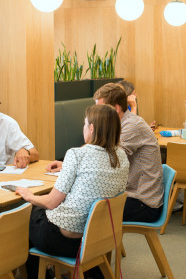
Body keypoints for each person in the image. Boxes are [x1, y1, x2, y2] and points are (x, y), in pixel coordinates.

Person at [16, 104, 129, 279]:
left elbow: (52, 202)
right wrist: (68, 167)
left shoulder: (77, 154)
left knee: (25, 218)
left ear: (91, 128)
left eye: (85, 124)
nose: (83, 128)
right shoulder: (121, 155)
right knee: (37, 214)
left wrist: (29, 196)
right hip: (97, 237)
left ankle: (42, 274)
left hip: (68, 239)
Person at [94, 83, 164, 223]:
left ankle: (92, 244)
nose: (97, 114)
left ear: (116, 108)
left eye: (100, 108)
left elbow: (110, 159)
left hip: (143, 202)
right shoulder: (117, 124)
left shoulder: (132, 125)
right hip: (129, 194)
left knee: (90, 212)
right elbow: (98, 153)